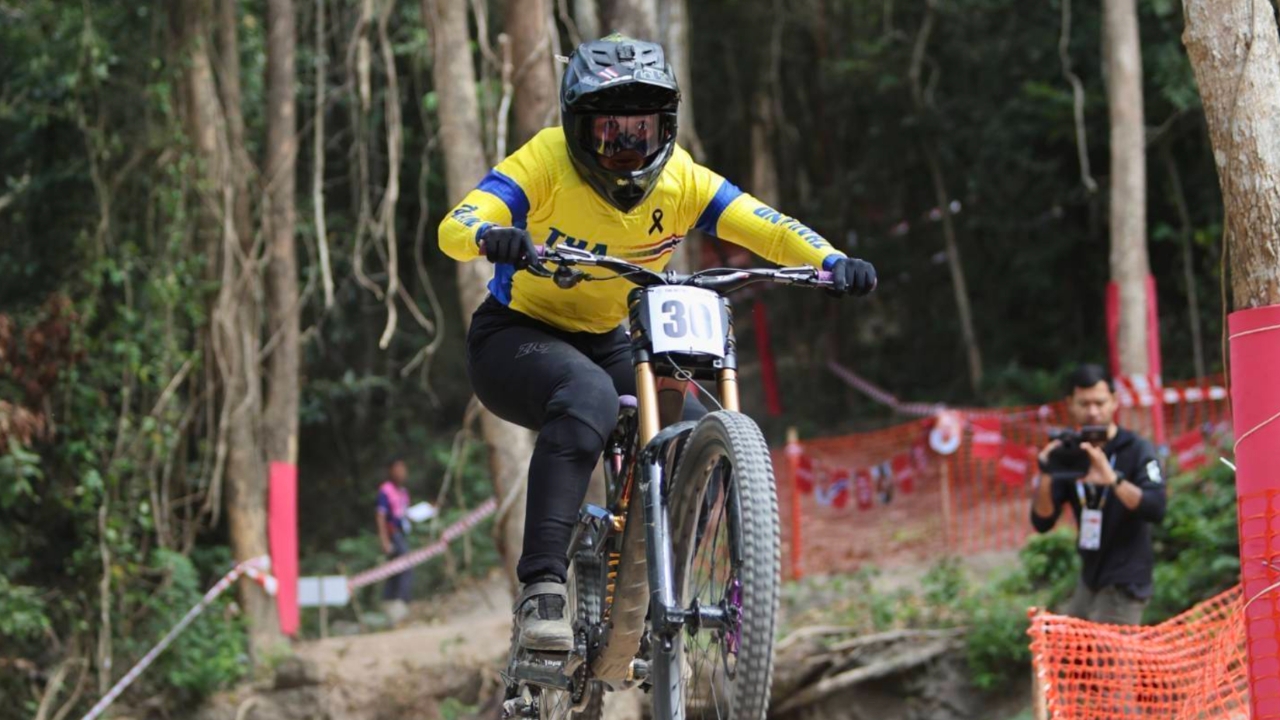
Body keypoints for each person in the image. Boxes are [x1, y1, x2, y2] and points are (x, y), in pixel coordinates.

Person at [439, 35, 876, 652]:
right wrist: (490, 234)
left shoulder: (683, 181)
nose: (625, 147)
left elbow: (769, 228)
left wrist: (831, 260)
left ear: (666, 127)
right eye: (608, 131)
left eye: (640, 130)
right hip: (514, 337)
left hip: (607, 339)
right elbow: (454, 226)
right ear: (575, 129)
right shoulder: (544, 162)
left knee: (695, 426)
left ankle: (660, 589)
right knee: (588, 396)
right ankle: (542, 590)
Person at [1030, 364, 1167, 625]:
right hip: (1089, 577)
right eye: (1084, 404)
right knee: (1066, 647)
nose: (1093, 411)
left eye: (1099, 403)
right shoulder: (1070, 453)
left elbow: (1156, 507)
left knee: (1108, 652)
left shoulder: (1137, 449)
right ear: (1070, 404)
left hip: (1126, 578)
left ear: (1114, 401)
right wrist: (1047, 474)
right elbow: (1042, 521)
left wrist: (1113, 479)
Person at [376, 456, 412, 622]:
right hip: (393, 534)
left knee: (394, 569)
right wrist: (384, 540)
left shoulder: (403, 492)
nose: (401, 472)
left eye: (403, 469)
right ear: (391, 471)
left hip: (402, 533)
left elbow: (404, 514)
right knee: (405, 566)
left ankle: (389, 604)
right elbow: (380, 516)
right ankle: (400, 604)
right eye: (398, 469)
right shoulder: (386, 490)